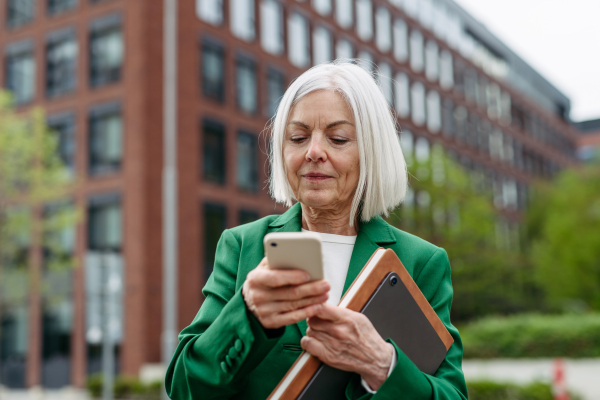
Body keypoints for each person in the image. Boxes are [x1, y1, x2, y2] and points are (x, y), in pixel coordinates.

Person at [165, 61, 467, 400]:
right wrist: (246, 314)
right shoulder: (243, 246)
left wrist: (383, 367)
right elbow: (184, 388)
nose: (313, 152)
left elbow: (452, 394)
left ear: (371, 152)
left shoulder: (420, 261)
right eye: (298, 137)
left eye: (337, 139)